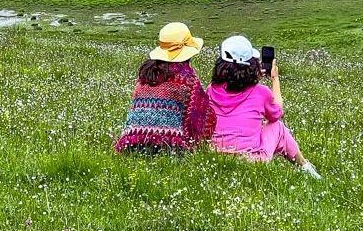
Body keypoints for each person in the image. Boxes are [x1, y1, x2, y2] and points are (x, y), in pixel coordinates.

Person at [207, 35, 321, 178]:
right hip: (251, 160)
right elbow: (276, 113)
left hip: (216, 155)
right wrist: (274, 79)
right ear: (252, 64)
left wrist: (251, 78)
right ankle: (306, 168)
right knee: (277, 127)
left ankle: (306, 167)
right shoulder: (260, 92)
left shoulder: (211, 89)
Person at [115, 22, 213, 154]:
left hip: (132, 142)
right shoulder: (187, 79)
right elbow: (200, 117)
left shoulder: (146, 75)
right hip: (169, 147)